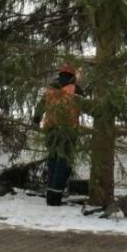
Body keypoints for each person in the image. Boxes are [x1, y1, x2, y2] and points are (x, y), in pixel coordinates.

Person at [32, 64, 83, 206]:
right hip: (68, 131)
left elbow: (40, 106)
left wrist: (36, 120)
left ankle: (50, 194)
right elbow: (86, 106)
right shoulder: (76, 89)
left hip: (50, 129)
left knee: (53, 161)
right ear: (72, 76)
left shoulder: (50, 89)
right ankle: (55, 197)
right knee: (63, 163)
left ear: (60, 74)